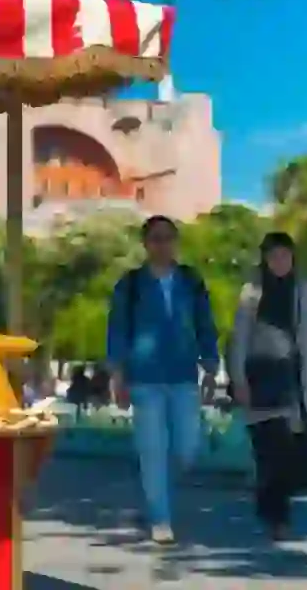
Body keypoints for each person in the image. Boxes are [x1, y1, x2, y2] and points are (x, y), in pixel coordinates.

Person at [106, 215, 219, 544]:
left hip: (183, 376)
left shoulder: (191, 281)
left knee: (187, 448)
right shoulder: (131, 284)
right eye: (156, 238)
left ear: (175, 242)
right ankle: (160, 517)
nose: (162, 244)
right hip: (145, 379)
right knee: (152, 449)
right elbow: (117, 330)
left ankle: (156, 494)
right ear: (145, 243)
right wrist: (117, 375)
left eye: (168, 237)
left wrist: (210, 365)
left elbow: (205, 324)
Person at [228, 232, 307, 540]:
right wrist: (238, 379)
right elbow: (238, 340)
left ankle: (267, 498)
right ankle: (279, 519)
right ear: (264, 259)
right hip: (263, 383)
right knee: (274, 451)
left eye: (285, 256)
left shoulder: (306, 292)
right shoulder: (251, 294)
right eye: (273, 256)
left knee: (303, 459)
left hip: (299, 385)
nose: (280, 262)